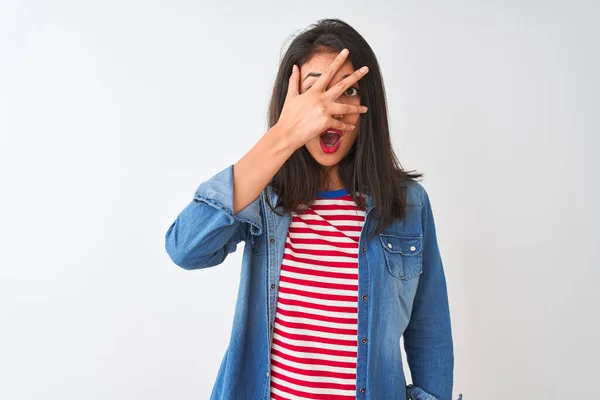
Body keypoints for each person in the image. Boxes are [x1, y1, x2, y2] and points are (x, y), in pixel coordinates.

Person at [165, 18, 461, 400]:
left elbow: (430, 334)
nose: (329, 109)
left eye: (348, 90)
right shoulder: (263, 198)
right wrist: (284, 135)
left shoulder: (408, 204)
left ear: (368, 105)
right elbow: (185, 248)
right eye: (314, 92)